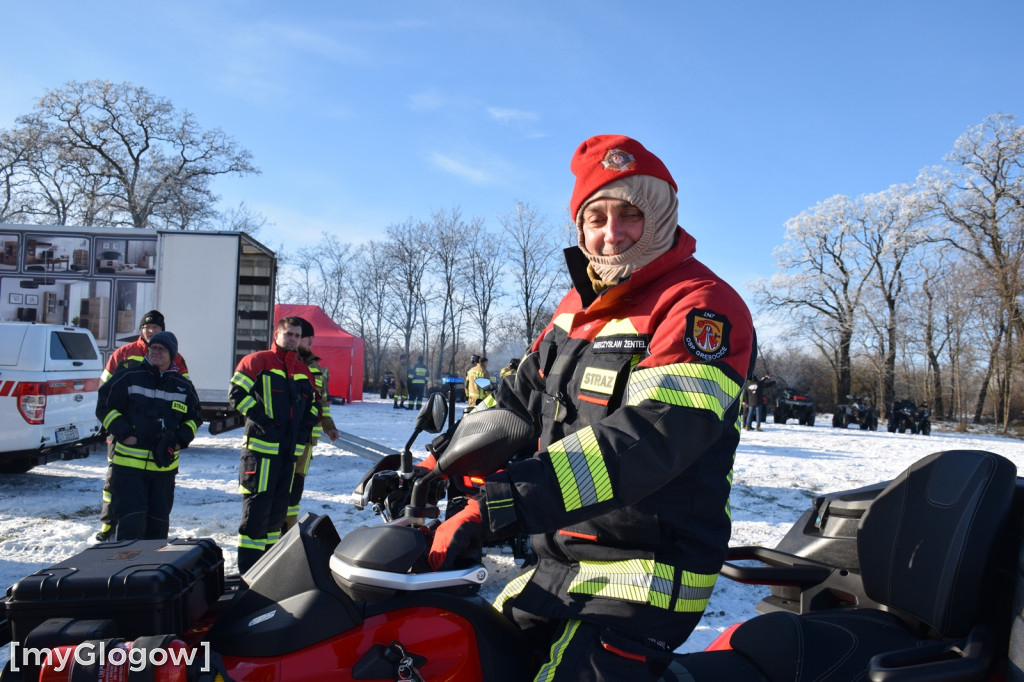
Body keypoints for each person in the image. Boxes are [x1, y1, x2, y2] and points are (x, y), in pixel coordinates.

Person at [427, 135, 755, 680]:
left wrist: (499, 505)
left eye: (629, 214)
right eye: (595, 218)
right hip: (559, 562)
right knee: (463, 653)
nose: (611, 233)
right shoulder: (577, 306)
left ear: (662, 216)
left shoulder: (700, 304)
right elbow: (516, 401)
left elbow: (647, 440)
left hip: (645, 573)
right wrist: (438, 465)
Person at [229, 317, 319, 574]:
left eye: (296, 335)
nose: (292, 338)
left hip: (288, 455)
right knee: (256, 516)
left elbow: (313, 406)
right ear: (277, 334)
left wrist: (303, 433)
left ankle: (268, 572)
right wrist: (264, 422)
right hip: (260, 454)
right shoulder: (257, 362)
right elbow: (236, 395)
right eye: (288, 333)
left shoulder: (302, 371)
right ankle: (248, 574)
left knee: (277, 518)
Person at [95, 331, 202, 540]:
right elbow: (104, 407)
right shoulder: (128, 376)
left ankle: (150, 571)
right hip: (129, 470)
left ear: (172, 355)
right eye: (152, 348)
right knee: (131, 525)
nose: (155, 352)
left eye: (161, 349)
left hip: (163, 471)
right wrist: (124, 433)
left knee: (158, 528)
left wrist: (180, 440)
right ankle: (127, 570)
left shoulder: (183, 386)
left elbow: (194, 417)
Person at [281, 317, 340, 533]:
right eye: (306, 339)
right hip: (284, 437)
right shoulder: (285, 365)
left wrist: (329, 426)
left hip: (306, 442)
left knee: (296, 486)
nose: (309, 344)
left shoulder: (316, 368)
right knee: (282, 484)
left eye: (307, 339)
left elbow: (321, 401)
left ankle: (288, 528)